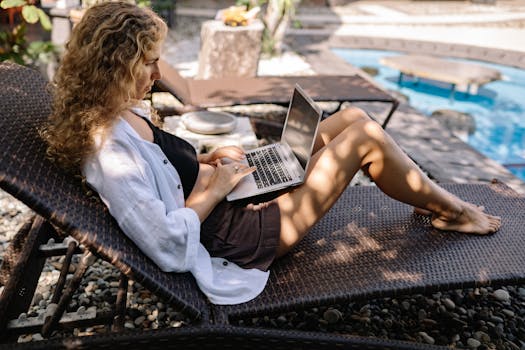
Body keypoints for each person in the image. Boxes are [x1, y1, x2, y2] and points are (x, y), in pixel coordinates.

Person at [41, 1, 501, 305]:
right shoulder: (108, 150)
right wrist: (216, 188)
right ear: (116, 66)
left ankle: (430, 200)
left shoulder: (119, 110)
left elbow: (163, 169)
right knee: (365, 139)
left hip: (233, 199)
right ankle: (456, 211)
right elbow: (166, 244)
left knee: (352, 118)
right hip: (241, 236)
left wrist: (205, 162)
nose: (158, 73)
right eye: (148, 62)